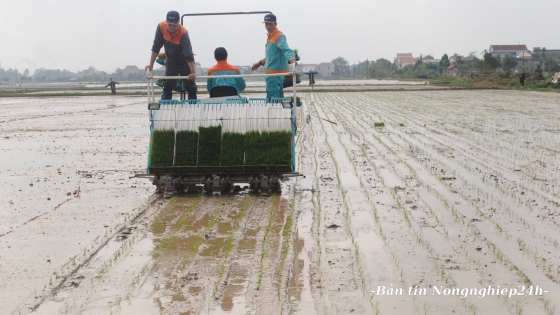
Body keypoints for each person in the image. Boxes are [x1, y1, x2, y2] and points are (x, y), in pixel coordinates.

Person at [145, 10, 197, 100]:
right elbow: (156, 47)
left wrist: (193, 72)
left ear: (178, 23)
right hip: (171, 61)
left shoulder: (183, 33)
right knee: (168, 84)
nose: (172, 27)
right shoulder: (161, 27)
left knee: (190, 84)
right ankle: (166, 105)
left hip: (184, 62)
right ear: (166, 22)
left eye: (174, 25)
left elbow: (188, 54)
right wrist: (151, 64)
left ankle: (193, 105)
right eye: (170, 25)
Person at [251, 14, 297, 100]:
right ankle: (281, 113)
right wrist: (260, 63)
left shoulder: (279, 36)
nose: (268, 26)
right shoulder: (270, 36)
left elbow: (285, 49)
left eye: (270, 24)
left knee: (272, 99)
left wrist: (292, 59)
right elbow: (272, 56)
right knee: (279, 98)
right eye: (266, 24)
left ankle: (273, 113)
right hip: (272, 73)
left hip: (274, 74)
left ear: (275, 24)